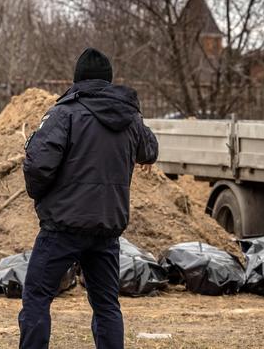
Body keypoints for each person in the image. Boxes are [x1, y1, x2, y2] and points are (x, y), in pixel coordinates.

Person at [19, 47, 159, 349]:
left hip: (62, 227)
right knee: (107, 305)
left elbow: (38, 165)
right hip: (107, 229)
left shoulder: (63, 113)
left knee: (37, 297)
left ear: (77, 80)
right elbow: (150, 151)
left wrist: (40, 197)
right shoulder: (129, 117)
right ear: (109, 81)